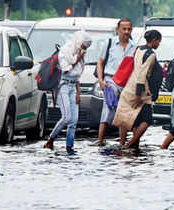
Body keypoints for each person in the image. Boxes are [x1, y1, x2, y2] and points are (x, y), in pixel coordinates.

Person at [43, 31, 92, 154]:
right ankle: (50, 139)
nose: (84, 49)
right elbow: (65, 70)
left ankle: (69, 146)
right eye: (83, 46)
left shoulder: (80, 54)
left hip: (73, 87)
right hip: (63, 86)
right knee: (66, 117)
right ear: (78, 42)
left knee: (74, 120)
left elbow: (77, 76)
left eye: (86, 48)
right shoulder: (65, 51)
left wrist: (78, 93)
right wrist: (77, 59)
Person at [112, 30, 162, 149]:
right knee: (147, 120)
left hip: (129, 87)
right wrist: (139, 95)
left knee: (124, 117)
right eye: (158, 41)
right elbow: (142, 74)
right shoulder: (151, 54)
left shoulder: (139, 49)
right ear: (154, 40)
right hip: (140, 90)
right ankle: (129, 145)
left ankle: (122, 143)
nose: (159, 44)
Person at [96, 18, 137, 146]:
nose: (126, 31)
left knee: (123, 112)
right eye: (123, 29)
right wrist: (101, 81)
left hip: (126, 83)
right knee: (108, 109)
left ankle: (122, 143)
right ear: (117, 30)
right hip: (111, 80)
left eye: (129, 29)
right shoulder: (109, 43)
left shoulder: (134, 47)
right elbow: (100, 62)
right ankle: (100, 140)